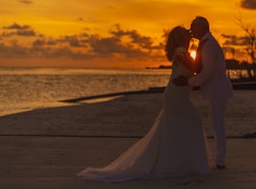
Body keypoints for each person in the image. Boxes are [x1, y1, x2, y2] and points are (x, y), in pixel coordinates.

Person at [77, 26, 211, 182]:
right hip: (176, 96)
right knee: (192, 122)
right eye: (186, 34)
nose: (189, 35)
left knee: (173, 129)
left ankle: (182, 163)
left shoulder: (180, 52)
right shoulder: (181, 51)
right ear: (181, 38)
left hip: (177, 94)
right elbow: (195, 69)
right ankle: (188, 164)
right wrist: (201, 48)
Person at [173, 16, 234, 170]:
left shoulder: (209, 45)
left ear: (204, 28)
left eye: (194, 27)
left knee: (217, 123)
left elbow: (207, 71)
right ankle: (219, 158)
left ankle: (220, 160)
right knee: (215, 121)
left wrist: (188, 82)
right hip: (216, 90)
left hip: (218, 90)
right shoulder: (205, 44)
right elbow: (201, 68)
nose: (191, 30)